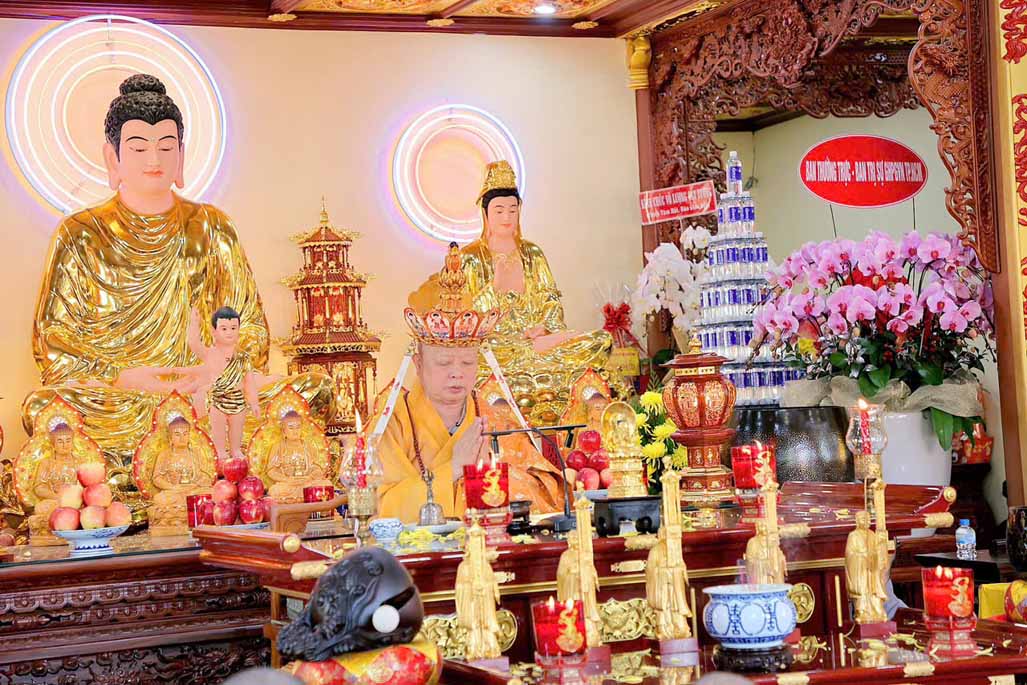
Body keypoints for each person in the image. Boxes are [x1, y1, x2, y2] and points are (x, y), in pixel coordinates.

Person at [24, 73, 332, 463]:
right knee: (42, 408)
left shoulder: (213, 226)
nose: (154, 160)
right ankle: (204, 455)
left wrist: (213, 367)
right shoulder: (80, 233)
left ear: (181, 156)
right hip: (125, 395)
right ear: (112, 157)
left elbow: (251, 328)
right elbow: (54, 344)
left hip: (204, 389)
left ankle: (139, 459)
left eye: (166, 147)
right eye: (139, 148)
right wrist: (123, 375)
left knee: (315, 389)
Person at [460, 161, 617, 421]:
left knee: (601, 340)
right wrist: (494, 287)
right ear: (485, 214)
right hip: (499, 346)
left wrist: (545, 328)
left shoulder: (532, 254)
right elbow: (466, 317)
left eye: (512, 210)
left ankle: (536, 360)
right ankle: (535, 365)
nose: (507, 218)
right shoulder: (471, 257)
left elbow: (550, 300)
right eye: (499, 210)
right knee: (475, 355)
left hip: (540, 344)